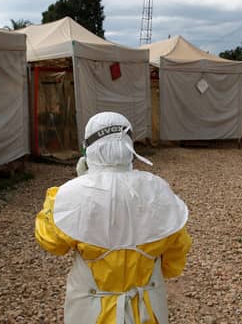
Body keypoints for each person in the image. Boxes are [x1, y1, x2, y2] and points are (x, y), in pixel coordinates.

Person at [35, 112, 191, 324]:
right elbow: (176, 255)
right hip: (147, 309)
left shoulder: (68, 195)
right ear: (129, 146)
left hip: (90, 312)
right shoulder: (158, 191)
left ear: (88, 148)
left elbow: (52, 243)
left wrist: (79, 187)